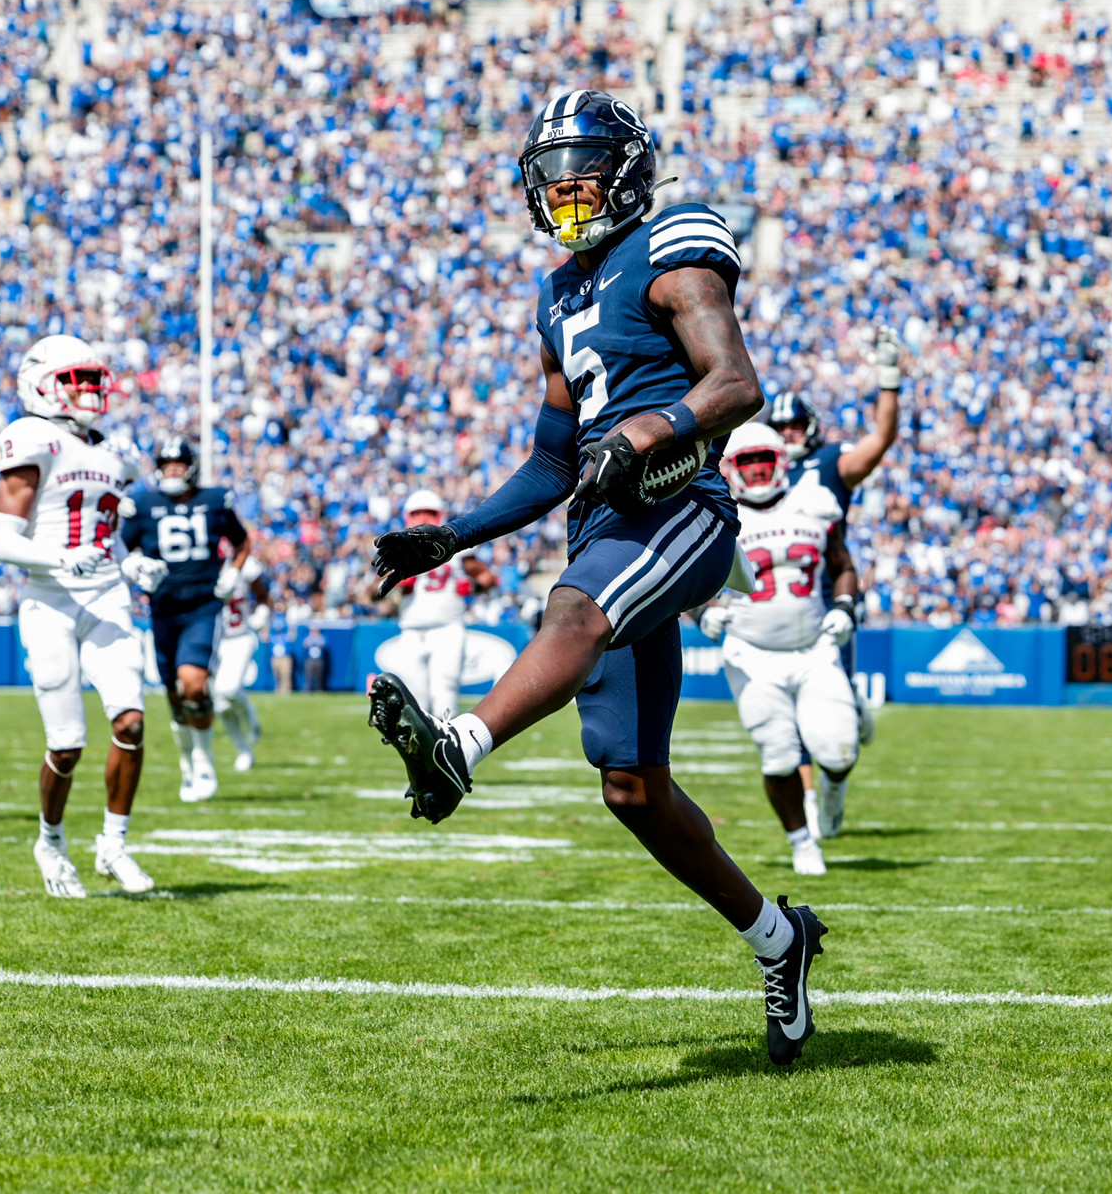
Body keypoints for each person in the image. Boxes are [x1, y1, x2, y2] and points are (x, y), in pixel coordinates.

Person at [364, 89, 826, 1064]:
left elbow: (736, 383)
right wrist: (453, 536)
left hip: (681, 505)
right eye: (549, 174)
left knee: (573, 608)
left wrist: (653, 431)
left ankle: (461, 745)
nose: (564, 188)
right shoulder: (559, 295)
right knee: (629, 784)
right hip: (606, 519)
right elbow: (553, 460)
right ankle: (780, 943)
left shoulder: (674, 246)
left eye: (580, 166)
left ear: (627, 168)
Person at [0, 334, 155, 898]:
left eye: (91, 378)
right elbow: (1, 540)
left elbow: (106, 539)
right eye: (74, 379)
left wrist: (131, 566)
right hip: (50, 598)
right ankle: (50, 840)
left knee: (131, 722)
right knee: (66, 743)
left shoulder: (114, 452)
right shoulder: (31, 437)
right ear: (41, 382)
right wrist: (62, 557)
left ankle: (114, 842)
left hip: (107, 595)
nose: (88, 389)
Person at [698, 424, 861, 876]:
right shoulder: (714, 514)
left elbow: (843, 565)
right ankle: (801, 841)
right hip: (751, 653)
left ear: (781, 460)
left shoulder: (817, 504)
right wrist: (700, 613)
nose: (755, 470)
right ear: (732, 467)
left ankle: (831, 791)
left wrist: (846, 607)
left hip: (814, 647)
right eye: (746, 462)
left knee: (838, 751)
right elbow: (684, 580)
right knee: (779, 754)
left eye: (762, 460)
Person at [766, 331, 904, 764]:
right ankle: (807, 805)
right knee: (789, 704)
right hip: (779, 591)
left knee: (831, 698)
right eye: (780, 426)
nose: (787, 433)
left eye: (794, 425)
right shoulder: (757, 465)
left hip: (826, 589)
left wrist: (888, 376)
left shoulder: (829, 460)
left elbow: (880, 438)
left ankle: (843, 736)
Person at [117, 435, 249, 803]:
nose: (172, 471)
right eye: (166, 466)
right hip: (162, 610)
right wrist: (135, 569)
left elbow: (242, 540)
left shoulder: (214, 500)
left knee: (193, 684)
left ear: (191, 467)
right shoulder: (141, 503)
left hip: (202, 607)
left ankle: (205, 762)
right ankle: (188, 761)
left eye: (178, 465)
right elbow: (120, 547)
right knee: (175, 697)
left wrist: (232, 572)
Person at [378, 488, 497, 719]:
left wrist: (473, 587)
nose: (422, 519)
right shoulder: (398, 549)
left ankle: (447, 742)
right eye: (417, 513)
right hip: (411, 628)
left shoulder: (457, 549)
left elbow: (488, 577)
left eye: (429, 513)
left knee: (445, 689)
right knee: (416, 695)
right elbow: (372, 592)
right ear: (407, 516)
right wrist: (396, 590)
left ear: (439, 515)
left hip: (448, 627)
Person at [213, 559, 271, 771]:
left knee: (227, 689)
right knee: (220, 705)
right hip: (209, 640)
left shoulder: (245, 566)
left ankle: (249, 712)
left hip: (239, 637)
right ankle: (243, 750)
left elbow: (263, 594)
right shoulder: (199, 564)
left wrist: (262, 612)